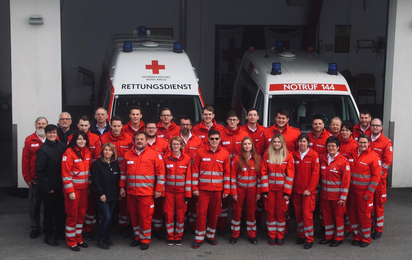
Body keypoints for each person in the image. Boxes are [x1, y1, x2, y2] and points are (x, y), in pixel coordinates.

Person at [119, 131, 165, 250]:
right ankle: (137, 237)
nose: (139, 141)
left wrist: (159, 189)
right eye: (137, 139)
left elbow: (161, 174)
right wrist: (122, 187)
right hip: (131, 192)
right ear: (134, 141)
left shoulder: (154, 154)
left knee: (145, 216)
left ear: (146, 141)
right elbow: (123, 172)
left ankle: (145, 239)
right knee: (134, 216)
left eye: (141, 139)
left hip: (146, 193)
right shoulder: (128, 154)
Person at [191, 129, 230, 249]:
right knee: (201, 213)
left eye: (216, 139)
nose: (214, 141)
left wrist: (226, 190)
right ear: (208, 139)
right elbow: (194, 172)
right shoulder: (200, 152)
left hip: (217, 190)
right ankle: (199, 237)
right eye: (212, 138)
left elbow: (227, 173)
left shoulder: (224, 153)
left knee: (215, 213)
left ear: (220, 140)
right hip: (203, 190)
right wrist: (195, 188)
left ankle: (210, 235)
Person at [68, 115, 102, 240]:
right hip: (75, 186)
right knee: (74, 212)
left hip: (89, 180)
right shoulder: (71, 140)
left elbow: (97, 158)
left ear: (89, 126)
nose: (83, 127)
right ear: (77, 125)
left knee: (88, 208)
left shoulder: (95, 139)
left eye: (86, 125)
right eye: (81, 125)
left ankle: (88, 229)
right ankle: (75, 235)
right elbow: (67, 170)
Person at [100, 115, 133, 237]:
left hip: (124, 173)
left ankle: (123, 226)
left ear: (122, 126)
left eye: (119, 126)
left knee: (123, 201)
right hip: (108, 174)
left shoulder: (129, 139)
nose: (116, 128)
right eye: (114, 126)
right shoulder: (103, 138)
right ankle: (109, 225)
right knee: (109, 199)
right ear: (110, 125)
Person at [260, 133, 294, 245]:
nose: (276, 144)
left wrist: (287, 192)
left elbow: (290, 175)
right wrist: (264, 190)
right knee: (270, 212)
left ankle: (280, 236)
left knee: (280, 213)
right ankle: (272, 236)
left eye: (279, 142)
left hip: (281, 191)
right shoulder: (267, 155)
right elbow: (263, 173)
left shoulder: (288, 156)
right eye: (274, 141)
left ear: (282, 143)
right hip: (269, 190)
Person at [347, 134, 381, 247]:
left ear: (369, 143)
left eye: (365, 143)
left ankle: (365, 238)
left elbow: (376, 176)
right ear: (357, 143)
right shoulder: (351, 153)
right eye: (360, 142)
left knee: (364, 216)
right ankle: (356, 236)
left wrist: (369, 192)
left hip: (364, 193)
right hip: (352, 192)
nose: (362, 145)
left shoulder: (373, 157)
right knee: (353, 215)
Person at [218, 111, 248, 235]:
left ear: (238, 121)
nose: (232, 121)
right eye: (230, 119)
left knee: (238, 202)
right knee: (223, 202)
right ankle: (222, 226)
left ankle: (240, 226)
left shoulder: (244, 135)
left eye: (234, 119)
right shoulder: (220, 135)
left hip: (239, 172)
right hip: (223, 172)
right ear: (227, 121)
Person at [61, 131, 93, 251]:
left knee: (81, 214)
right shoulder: (69, 153)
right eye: (79, 139)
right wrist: (70, 191)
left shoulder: (88, 152)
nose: (81, 141)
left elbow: (89, 171)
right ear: (74, 140)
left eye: (83, 139)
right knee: (72, 214)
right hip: (73, 191)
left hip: (84, 189)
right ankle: (71, 240)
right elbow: (66, 174)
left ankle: (79, 237)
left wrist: (89, 187)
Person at [35, 124, 66, 246]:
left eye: (54, 132)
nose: (52, 135)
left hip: (61, 185)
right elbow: (40, 171)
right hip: (49, 188)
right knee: (49, 212)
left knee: (60, 211)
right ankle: (48, 235)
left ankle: (59, 232)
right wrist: (48, 188)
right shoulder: (42, 150)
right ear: (46, 134)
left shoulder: (62, 146)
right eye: (49, 133)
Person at [318, 136, 350, 247]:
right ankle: (329, 236)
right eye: (329, 146)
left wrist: (343, 197)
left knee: (339, 217)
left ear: (338, 147)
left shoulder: (343, 161)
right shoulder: (322, 159)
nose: (330, 148)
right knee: (327, 217)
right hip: (324, 196)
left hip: (337, 197)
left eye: (333, 146)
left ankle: (339, 237)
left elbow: (346, 182)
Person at [230, 136, 261, 244]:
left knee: (251, 212)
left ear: (252, 146)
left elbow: (260, 177)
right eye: (245, 144)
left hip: (252, 190)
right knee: (237, 212)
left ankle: (252, 234)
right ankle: (235, 234)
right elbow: (232, 177)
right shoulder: (237, 159)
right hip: (239, 189)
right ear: (242, 146)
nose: (247, 146)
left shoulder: (257, 158)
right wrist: (233, 192)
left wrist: (259, 192)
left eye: (249, 144)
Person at [162, 137, 192, 246]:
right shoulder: (165, 158)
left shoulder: (187, 158)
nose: (175, 146)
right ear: (170, 146)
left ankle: (178, 236)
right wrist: (162, 192)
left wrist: (188, 193)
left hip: (182, 192)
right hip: (169, 191)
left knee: (180, 214)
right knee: (168, 213)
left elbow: (188, 177)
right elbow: (162, 176)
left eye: (177, 144)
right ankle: (170, 236)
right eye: (173, 144)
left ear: (181, 145)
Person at [292, 134, 320, 249]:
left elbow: (315, 174)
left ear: (308, 143)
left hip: (308, 192)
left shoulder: (313, 155)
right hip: (296, 191)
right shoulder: (294, 155)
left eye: (304, 141)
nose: (302, 144)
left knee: (307, 215)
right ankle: (302, 235)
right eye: (300, 141)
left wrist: (310, 189)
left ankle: (309, 239)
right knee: (298, 215)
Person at [22, 116, 48, 239]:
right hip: (35, 179)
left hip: (49, 179)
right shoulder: (29, 140)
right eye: (38, 123)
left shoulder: (53, 138)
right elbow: (25, 160)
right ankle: (35, 227)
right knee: (35, 205)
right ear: (35, 125)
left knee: (49, 204)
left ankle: (48, 226)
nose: (41, 125)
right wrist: (27, 179)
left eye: (43, 123)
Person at [91, 143, 120, 250]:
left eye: (109, 150)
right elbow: (96, 181)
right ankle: (101, 239)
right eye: (105, 150)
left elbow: (117, 179)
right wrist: (100, 193)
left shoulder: (115, 164)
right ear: (102, 151)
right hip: (102, 196)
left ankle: (107, 236)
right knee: (106, 217)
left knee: (110, 218)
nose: (107, 152)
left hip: (113, 195)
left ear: (113, 152)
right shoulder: (97, 164)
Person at [369, 118, 393, 240]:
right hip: (366, 179)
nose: (375, 127)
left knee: (378, 204)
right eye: (373, 125)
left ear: (381, 127)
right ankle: (368, 227)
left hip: (379, 180)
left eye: (377, 125)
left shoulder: (386, 142)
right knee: (368, 204)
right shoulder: (365, 140)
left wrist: (377, 176)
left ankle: (378, 228)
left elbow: (386, 163)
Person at [145, 120, 169, 238]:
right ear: (145, 129)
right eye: (148, 127)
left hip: (159, 179)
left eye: (153, 127)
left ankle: (158, 228)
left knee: (158, 206)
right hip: (145, 181)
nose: (151, 130)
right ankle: (146, 229)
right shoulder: (141, 142)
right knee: (145, 208)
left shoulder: (164, 144)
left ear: (157, 129)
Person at [179, 117, 203, 230]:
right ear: (180, 126)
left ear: (191, 126)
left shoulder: (198, 140)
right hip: (178, 175)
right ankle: (182, 225)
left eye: (187, 124)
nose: (185, 127)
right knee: (180, 203)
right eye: (183, 124)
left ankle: (193, 226)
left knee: (193, 202)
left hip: (193, 174)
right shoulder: (174, 139)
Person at [339, 121, 358, 236]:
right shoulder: (338, 143)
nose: (344, 132)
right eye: (343, 130)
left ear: (351, 132)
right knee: (341, 205)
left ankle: (349, 227)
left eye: (347, 130)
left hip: (350, 179)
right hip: (337, 179)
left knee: (350, 205)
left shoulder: (355, 145)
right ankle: (344, 227)